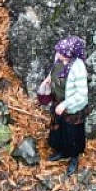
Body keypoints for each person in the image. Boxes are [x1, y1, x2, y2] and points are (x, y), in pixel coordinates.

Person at [40, 35, 89, 176]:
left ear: (69, 54)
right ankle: (61, 151)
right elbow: (54, 71)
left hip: (72, 108)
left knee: (72, 134)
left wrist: (65, 105)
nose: (58, 53)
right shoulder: (59, 58)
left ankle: (74, 157)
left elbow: (82, 94)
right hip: (58, 102)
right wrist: (49, 79)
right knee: (59, 130)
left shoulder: (78, 68)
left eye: (61, 52)